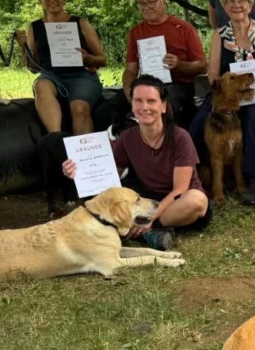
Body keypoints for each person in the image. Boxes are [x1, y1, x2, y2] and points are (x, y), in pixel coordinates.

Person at [63, 75, 210, 251]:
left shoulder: (180, 137)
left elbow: (180, 189)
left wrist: (150, 219)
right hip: (146, 200)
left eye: (151, 101)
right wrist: (79, 172)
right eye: (138, 101)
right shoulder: (127, 137)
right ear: (132, 105)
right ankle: (150, 233)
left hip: (179, 203)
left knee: (197, 200)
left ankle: (147, 228)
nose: (144, 107)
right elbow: (110, 177)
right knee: (103, 200)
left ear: (163, 106)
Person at [189, 0, 255, 206]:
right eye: (230, 1)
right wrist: (223, 91)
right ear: (224, 7)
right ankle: (191, 173)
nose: (236, 5)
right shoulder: (219, 35)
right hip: (226, 96)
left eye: (241, 1)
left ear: (250, 5)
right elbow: (213, 74)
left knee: (253, 116)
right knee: (200, 118)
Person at [94, 0, 207, 132]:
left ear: (164, 2)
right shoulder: (136, 31)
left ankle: (164, 145)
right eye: (141, 3)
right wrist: (129, 92)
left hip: (176, 86)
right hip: (144, 86)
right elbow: (130, 70)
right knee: (102, 113)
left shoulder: (183, 28)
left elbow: (202, 66)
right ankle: (116, 146)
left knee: (165, 107)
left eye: (151, 2)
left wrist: (179, 65)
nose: (146, 7)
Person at [15, 0, 106, 135]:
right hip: (52, 77)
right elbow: (34, 68)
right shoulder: (35, 27)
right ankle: (56, 138)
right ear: (40, 1)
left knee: (79, 108)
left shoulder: (81, 23)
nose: (52, 0)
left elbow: (102, 60)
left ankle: (84, 148)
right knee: (40, 85)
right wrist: (23, 47)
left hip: (81, 76)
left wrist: (87, 58)